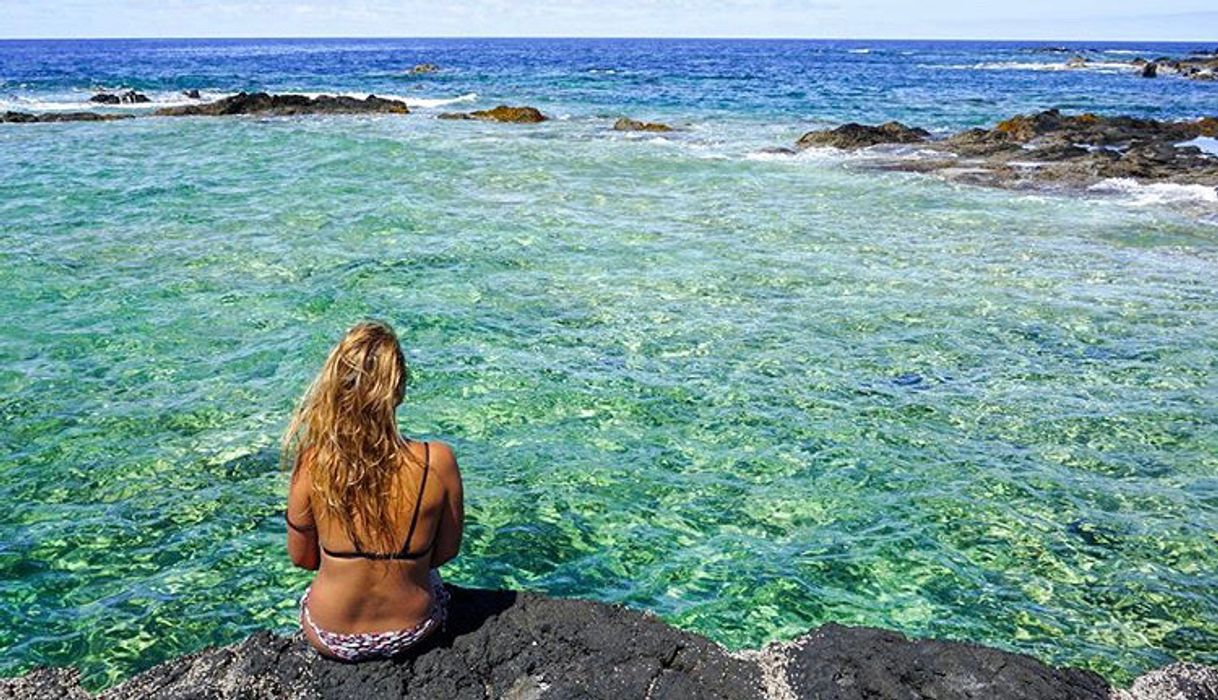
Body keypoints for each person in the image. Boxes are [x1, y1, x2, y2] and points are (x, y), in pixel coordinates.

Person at [281, 321, 464, 661]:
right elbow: (445, 553)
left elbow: (301, 558)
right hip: (412, 630)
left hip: (330, 634)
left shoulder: (312, 462)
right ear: (398, 389)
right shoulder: (437, 462)